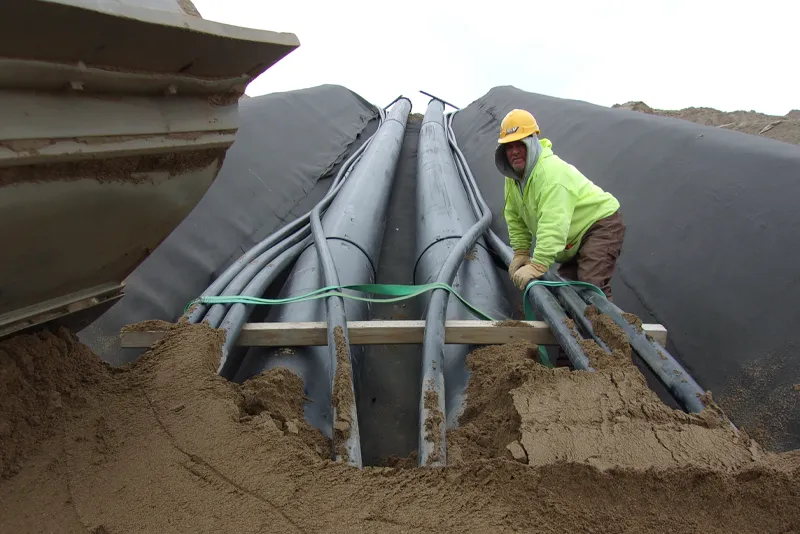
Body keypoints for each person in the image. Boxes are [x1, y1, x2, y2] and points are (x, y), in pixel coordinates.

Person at [496, 109, 626, 300]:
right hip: (571, 240)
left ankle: (614, 329)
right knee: (568, 297)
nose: (514, 151)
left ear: (532, 141)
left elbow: (553, 223)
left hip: (598, 227)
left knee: (591, 288)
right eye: (509, 146)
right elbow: (514, 217)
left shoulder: (551, 175)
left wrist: (538, 264)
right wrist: (521, 252)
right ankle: (579, 328)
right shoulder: (513, 179)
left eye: (519, 144)